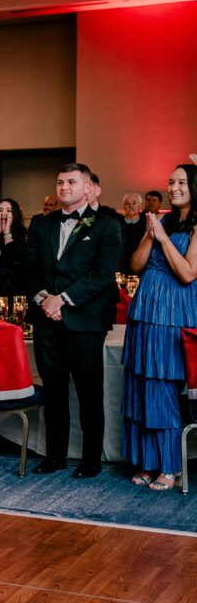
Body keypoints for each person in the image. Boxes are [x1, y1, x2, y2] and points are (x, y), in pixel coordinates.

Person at [24, 163, 121, 479]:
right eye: (60, 181)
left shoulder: (107, 224)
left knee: (89, 391)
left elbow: (102, 276)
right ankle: (55, 456)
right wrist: (43, 298)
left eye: (71, 182)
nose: (64, 187)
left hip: (85, 320)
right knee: (53, 390)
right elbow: (31, 267)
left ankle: (91, 459)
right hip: (47, 320)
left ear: (88, 186)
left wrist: (62, 299)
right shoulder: (41, 223)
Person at [122, 164, 197, 491]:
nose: (174, 187)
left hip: (173, 310)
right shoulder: (162, 218)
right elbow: (136, 265)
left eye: (181, 182)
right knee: (140, 384)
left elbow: (188, 273)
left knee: (163, 385)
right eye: (171, 181)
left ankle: (170, 466)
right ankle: (148, 462)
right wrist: (151, 237)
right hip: (145, 307)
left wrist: (164, 239)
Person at [119, 192, 147, 275]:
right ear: (124, 207)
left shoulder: (147, 224)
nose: (131, 206)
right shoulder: (117, 224)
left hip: (142, 267)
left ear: (140, 206)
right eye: (127, 204)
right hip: (121, 267)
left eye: (134, 203)